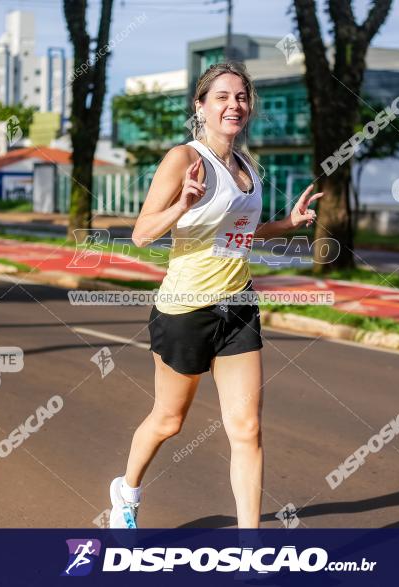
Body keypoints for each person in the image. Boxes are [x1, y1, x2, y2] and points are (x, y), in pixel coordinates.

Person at [108, 62, 323, 529]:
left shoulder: (246, 165)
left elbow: (237, 232)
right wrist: (181, 205)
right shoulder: (183, 160)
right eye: (222, 97)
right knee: (169, 421)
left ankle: (250, 548)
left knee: (246, 430)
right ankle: (126, 492)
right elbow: (143, 234)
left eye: (242, 97)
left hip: (239, 305)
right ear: (201, 106)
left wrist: (284, 226)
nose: (234, 105)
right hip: (186, 309)